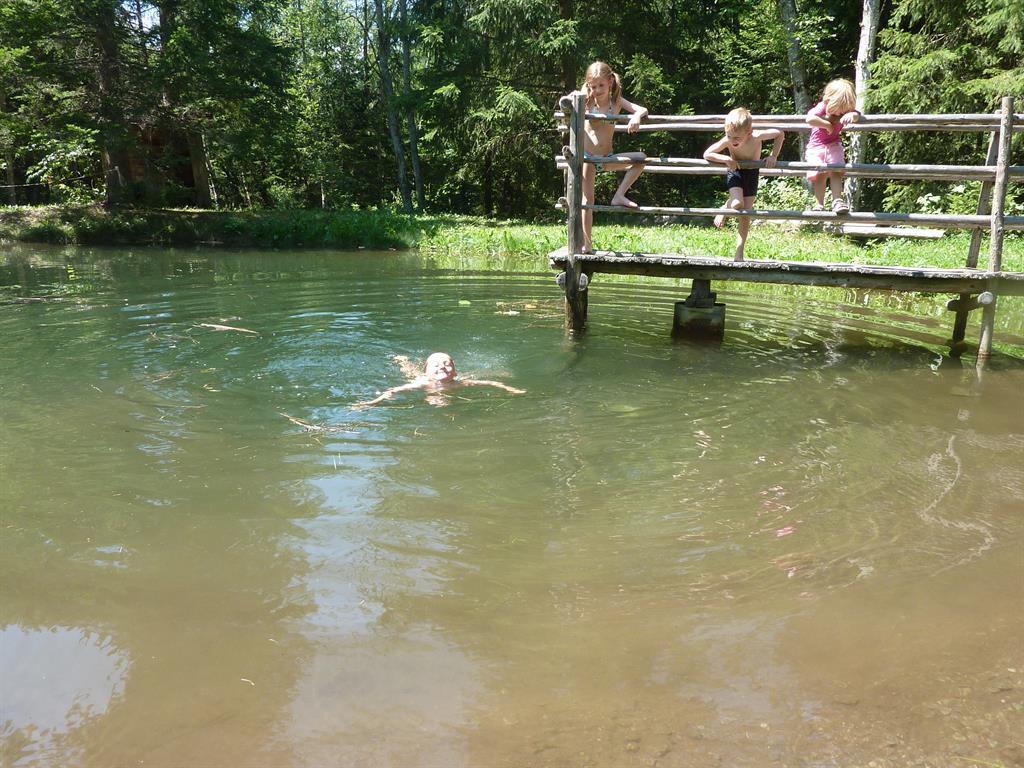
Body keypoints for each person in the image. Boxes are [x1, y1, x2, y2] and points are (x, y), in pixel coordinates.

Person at [560, 61, 648, 254]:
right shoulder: (585, 100)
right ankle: (587, 244)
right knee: (587, 201)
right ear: (588, 85)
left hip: (607, 158)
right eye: (593, 86)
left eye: (601, 85)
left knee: (640, 159)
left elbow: (641, 109)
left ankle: (619, 195)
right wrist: (574, 96)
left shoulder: (616, 102)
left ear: (610, 82)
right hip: (588, 158)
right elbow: (568, 98)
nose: (597, 90)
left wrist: (636, 117)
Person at [702, 107, 784, 262]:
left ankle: (739, 252)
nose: (732, 141)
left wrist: (773, 156)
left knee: (745, 213)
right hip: (736, 171)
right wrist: (725, 159)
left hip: (752, 173)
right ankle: (725, 207)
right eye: (729, 136)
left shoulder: (757, 136)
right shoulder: (728, 140)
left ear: (749, 132)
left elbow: (779, 134)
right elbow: (707, 153)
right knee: (737, 204)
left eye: (737, 138)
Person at [353, 353, 525, 408]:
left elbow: (490, 383)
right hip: (422, 378)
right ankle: (402, 361)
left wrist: (510, 389)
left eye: (447, 364)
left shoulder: (460, 383)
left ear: (455, 372)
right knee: (409, 371)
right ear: (427, 371)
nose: (442, 367)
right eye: (435, 365)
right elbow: (393, 391)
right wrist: (373, 402)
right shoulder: (421, 383)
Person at [805, 78, 862, 213]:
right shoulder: (823, 106)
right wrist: (827, 125)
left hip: (834, 144)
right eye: (840, 109)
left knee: (836, 171)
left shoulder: (847, 110)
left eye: (844, 110)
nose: (841, 113)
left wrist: (852, 115)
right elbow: (810, 118)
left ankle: (837, 201)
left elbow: (857, 115)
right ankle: (819, 204)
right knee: (820, 174)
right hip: (816, 146)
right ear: (829, 101)